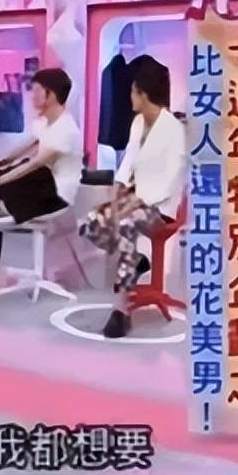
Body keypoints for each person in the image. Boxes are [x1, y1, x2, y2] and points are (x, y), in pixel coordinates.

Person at [80, 55, 186, 338]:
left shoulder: (174, 130)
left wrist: (130, 206)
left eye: (132, 91)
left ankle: (120, 310)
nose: (129, 96)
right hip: (134, 196)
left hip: (161, 206)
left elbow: (169, 182)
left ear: (143, 93)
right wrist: (117, 195)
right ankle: (134, 262)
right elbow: (128, 162)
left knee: (126, 225)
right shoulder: (138, 123)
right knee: (92, 221)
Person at [0, 68, 83, 308]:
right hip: (36, 188)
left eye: (36, 91)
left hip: (54, 194)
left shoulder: (67, 130)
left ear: (50, 95)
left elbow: (34, 165)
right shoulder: (44, 123)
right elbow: (21, 150)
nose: (32, 96)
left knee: (30, 174)